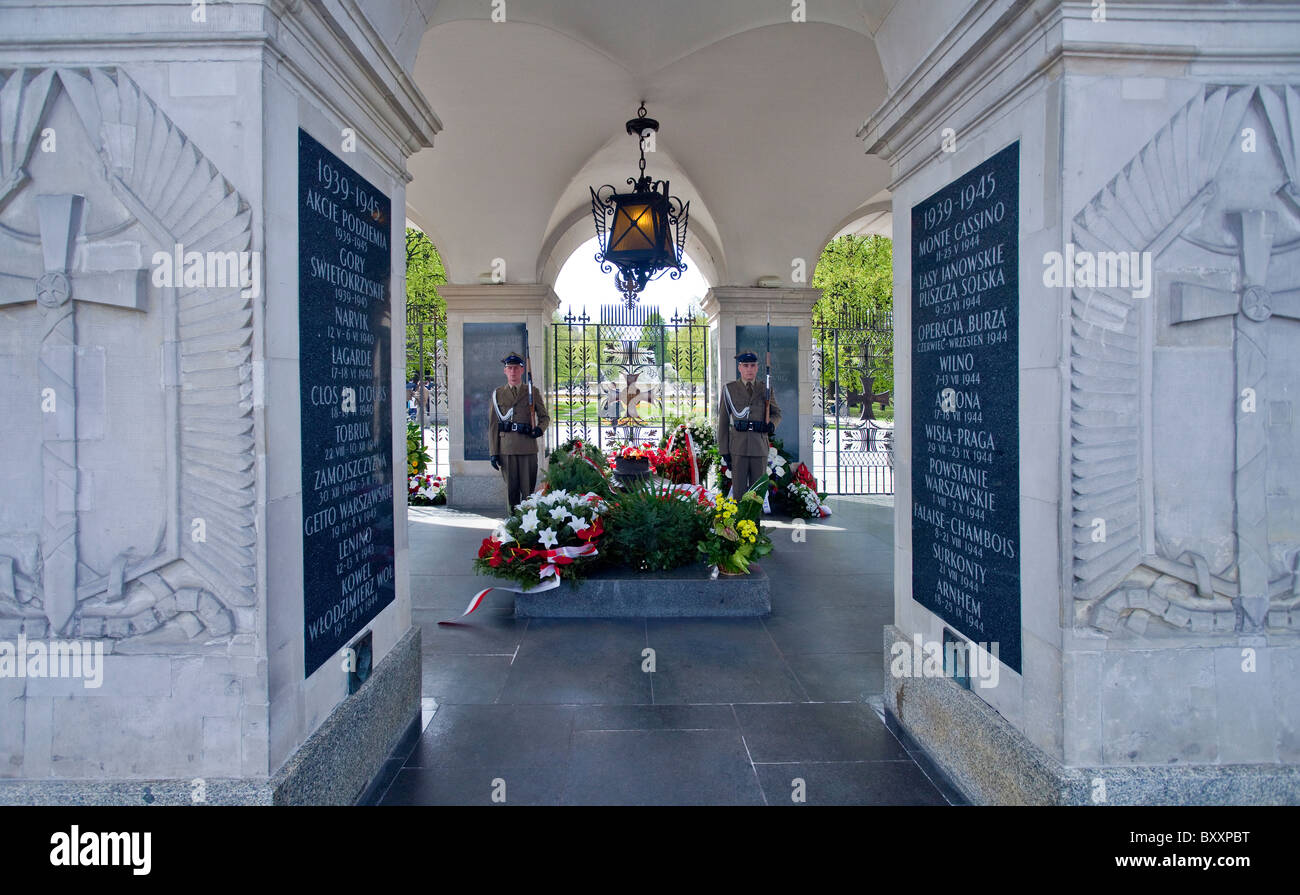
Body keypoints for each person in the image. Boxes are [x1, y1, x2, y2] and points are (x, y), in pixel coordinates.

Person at [487, 353, 549, 512]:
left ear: (522, 370)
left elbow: (544, 417)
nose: (513, 371)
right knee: (511, 492)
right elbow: (493, 425)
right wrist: (494, 452)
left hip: (527, 447)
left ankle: (528, 525)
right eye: (509, 368)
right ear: (505, 371)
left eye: (516, 368)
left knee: (528, 492)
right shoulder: (498, 394)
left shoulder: (532, 392)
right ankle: (512, 526)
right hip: (506, 449)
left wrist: (538, 430)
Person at [717, 351, 781, 498]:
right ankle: (740, 521)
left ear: (757, 368)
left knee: (757, 492)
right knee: (739, 492)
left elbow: (776, 413)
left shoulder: (765, 389)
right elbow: (723, 422)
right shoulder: (729, 389)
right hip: (738, 447)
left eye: (752, 365)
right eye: (745, 365)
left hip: (759, 446)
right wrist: (724, 451)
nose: (749, 369)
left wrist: (771, 424)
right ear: (739, 368)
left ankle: (756, 521)